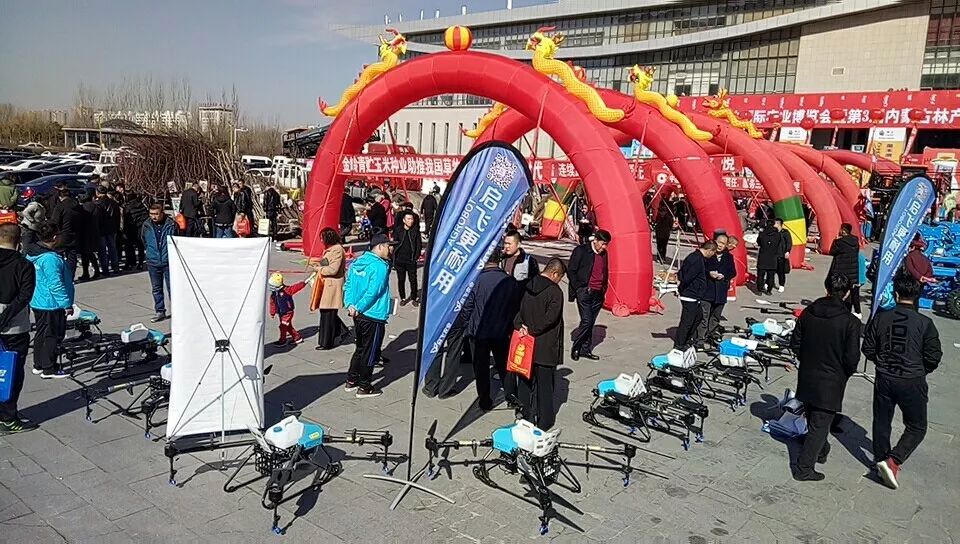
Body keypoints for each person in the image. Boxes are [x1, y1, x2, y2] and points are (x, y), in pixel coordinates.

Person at [862, 274, 942, 490]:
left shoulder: (881, 318)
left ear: (896, 294)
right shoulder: (925, 323)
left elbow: (867, 348)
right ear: (917, 296)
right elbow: (934, 356)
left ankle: (881, 459)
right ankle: (894, 459)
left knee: (882, 421)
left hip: (885, 377)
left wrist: (881, 361)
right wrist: (920, 370)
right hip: (912, 380)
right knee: (917, 426)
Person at [789, 273, 862, 482]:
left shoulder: (808, 312)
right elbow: (852, 357)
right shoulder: (850, 322)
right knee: (819, 424)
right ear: (846, 293)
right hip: (832, 379)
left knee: (815, 418)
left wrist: (806, 360)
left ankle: (821, 449)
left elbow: (795, 344)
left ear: (827, 289)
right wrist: (845, 372)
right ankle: (804, 468)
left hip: (808, 374)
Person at [460, 254, 519, 411]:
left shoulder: (476, 280)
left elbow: (467, 307)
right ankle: (511, 396)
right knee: (504, 365)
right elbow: (515, 307)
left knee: (481, 368)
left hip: (479, 332)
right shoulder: (509, 281)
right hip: (502, 332)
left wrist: (467, 325)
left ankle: (485, 400)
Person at [513, 258, 566, 430]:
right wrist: (533, 330)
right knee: (545, 386)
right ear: (555, 273)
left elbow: (519, 311)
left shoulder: (528, 285)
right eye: (560, 277)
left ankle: (525, 415)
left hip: (525, 344)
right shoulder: (554, 292)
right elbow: (551, 318)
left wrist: (521, 327)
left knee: (525, 383)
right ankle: (544, 421)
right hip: (545, 346)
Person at [343, 233, 394, 398]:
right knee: (370, 351)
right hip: (373, 314)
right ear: (380, 247)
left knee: (360, 348)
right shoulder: (379, 266)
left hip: (358, 314)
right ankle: (365, 386)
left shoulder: (357, 262)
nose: (390, 250)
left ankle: (352, 379)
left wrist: (350, 304)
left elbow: (348, 285)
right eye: (388, 246)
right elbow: (374, 291)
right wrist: (359, 306)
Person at [0, 224, 37, 433]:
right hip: (14, 327)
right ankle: (8, 417)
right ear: (18, 241)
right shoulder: (23, 264)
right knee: (11, 371)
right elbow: (24, 296)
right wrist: (4, 317)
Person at [25, 223, 74, 380]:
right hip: (51, 303)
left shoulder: (33, 253)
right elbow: (56, 284)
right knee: (52, 335)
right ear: (54, 237)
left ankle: (39, 364)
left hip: (38, 300)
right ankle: (49, 368)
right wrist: (66, 304)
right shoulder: (50, 259)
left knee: (41, 333)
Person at [566, 229, 611, 361]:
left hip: (598, 292)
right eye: (602, 243)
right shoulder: (581, 251)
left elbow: (605, 271)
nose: (604, 247)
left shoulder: (604, 254)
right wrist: (579, 287)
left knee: (591, 322)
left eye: (606, 244)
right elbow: (571, 270)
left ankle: (585, 349)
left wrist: (604, 288)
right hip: (585, 291)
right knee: (587, 321)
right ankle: (576, 347)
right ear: (595, 240)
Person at [675, 240, 717, 350]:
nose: (713, 255)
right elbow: (687, 276)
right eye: (713, 252)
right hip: (690, 294)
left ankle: (687, 339)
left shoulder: (697, 257)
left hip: (694, 294)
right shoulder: (697, 259)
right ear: (710, 250)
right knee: (687, 321)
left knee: (698, 316)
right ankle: (679, 344)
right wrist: (683, 287)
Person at [311, 228, 349, 350]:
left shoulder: (337, 250)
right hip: (327, 285)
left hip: (333, 285)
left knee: (328, 313)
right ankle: (341, 331)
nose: (321, 240)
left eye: (322, 238)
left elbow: (333, 269)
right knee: (327, 312)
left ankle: (327, 342)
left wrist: (319, 269)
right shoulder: (331, 249)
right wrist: (317, 263)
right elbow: (327, 263)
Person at [422, 310, 467, 399]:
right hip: (456, 315)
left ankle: (431, 386)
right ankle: (445, 389)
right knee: (453, 352)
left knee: (434, 349)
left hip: (437, 313)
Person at [141, 204, 175, 323]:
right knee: (156, 288)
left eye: (156, 214)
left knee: (172, 288)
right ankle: (160, 311)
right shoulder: (146, 225)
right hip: (153, 261)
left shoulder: (171, 224)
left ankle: (176, 311)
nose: (153, 217)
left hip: (168, 260)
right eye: (151, 214)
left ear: (162, 213)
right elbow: (144, 240)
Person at [698, 234, 734, 345]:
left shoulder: (728, 257)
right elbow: (700, 269)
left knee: (715, 316)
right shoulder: (708, 255)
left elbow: (733, 272)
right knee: (704, 316)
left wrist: (724, 276)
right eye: (719, 242)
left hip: (721, 291)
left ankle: (711, 335)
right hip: (707, 290)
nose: (720, 245)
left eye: (723, 243)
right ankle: (700, 338)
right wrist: (709, 273)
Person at [828, 223, 862, 318]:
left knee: (838, 292)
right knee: (854, 292)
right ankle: (858, 311)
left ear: (843, 230)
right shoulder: (855, 241)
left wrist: (835, 240)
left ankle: (836, 310)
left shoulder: (839, 242)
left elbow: (832, 251)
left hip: (841, 271)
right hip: (853, 271)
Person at [50, 184, 81, 280]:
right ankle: (70, 277)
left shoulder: (60, 207)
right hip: (74, 233)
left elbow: (55, 222)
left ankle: (59, 276)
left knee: (57, 255)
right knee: (72, 256)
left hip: (62, 234)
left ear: (60, 196)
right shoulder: (77, 206)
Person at [267, 272, 308, 346]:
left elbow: (296, 287)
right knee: (288, 326)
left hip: (288, 312)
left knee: (283, 326)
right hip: (281, 313)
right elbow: (272, 303)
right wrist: (272, 312)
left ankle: (282, 340)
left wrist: (304, 283)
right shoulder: (273, 294)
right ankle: (297, 338)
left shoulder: (287, 290)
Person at [392, 210, 422, 306]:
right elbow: (395, 243)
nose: (410, 221)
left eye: (412, 219)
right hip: (399, 260)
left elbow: (419, 245)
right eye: (408, 219)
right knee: (401, 280)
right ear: (404, 220)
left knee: (413, 280)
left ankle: (414, 297)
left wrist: (416, 256)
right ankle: (403, 298)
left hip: (411, 259)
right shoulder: (398, 230)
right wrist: (393, 256)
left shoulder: (415, 231)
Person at [96, 187, 121, 275]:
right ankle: (115, 267)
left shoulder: (98, 204)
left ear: (98, 192)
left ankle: (105, 269)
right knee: (113, 248)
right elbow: (118, 216)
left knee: (102, 250)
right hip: (112, 228)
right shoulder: (113, 203)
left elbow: (97, 218)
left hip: (101, 229)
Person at [76, 193, 101, 281]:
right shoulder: (96, 206)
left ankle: (88, 272)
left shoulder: (82, 208)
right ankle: (93, 271)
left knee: (86, 254)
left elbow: (80, 221)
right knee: (89, 253)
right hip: (94, 231)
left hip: (85, 233)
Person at [122, 192, 148, 270]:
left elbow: (125, 219)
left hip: (130, 228)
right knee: (140, 246)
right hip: (140, 228)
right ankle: (140, 263)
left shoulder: (127, 207)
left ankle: (130, 262)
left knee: (129, 246)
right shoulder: (142, 205)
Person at [755, 219, 781, 296]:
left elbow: (758, 242)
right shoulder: (777, 235)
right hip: (773, 257)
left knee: (760, 275)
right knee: (771, 276)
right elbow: (779, 243)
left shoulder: (762, 233)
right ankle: (769, 290)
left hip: (763, 256)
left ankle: (759, 289)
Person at [775, 218, 792, 293]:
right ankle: (768, 283)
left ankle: (781, 285)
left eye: (775, 223)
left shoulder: (785, 232)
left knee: (781, 271)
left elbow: (789, 242)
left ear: (778, 224)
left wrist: (787, 251)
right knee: (771, 270)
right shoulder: (773, 232)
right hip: (773, 254)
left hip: (781, 254)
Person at [654, 199, 674, 263]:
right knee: (659, 246)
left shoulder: (669, 218)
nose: (661, 213)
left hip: (665, 234)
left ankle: (663, 257)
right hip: (659, 234)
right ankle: (658, 257)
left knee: (664, 246)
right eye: (660, 211)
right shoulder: (658, 217)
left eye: (662, 211)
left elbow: (671, 225)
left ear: (665, 212)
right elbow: (655, 224)